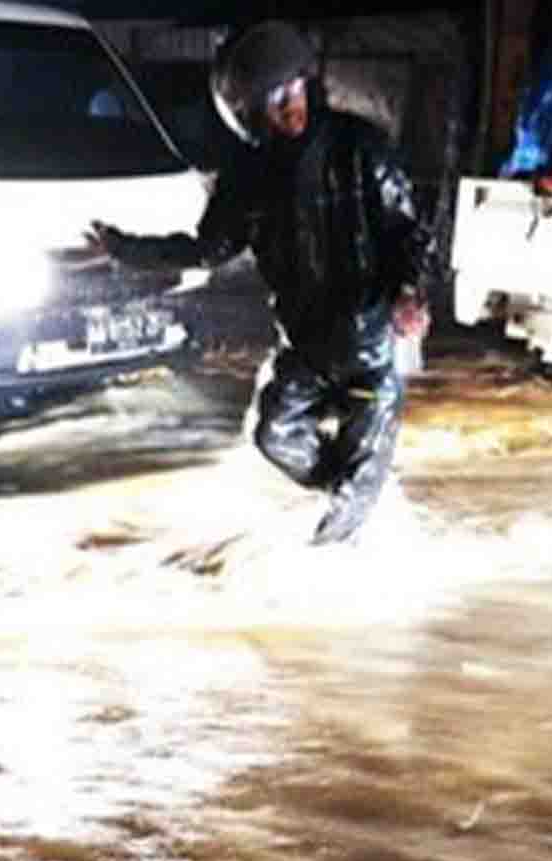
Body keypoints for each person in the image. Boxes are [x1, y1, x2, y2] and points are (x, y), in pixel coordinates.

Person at [87, 20, 436, 545]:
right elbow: (205, 249)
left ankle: (353, 528)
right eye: (272, 102)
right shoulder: (248, 179)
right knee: (271, 433)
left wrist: (410, 293)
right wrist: (123, 248)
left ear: (308, 82)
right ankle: (349, 489)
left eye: (292, 91)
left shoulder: (361, 148)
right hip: (303, 346)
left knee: (349, 509)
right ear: (250, 115)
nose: (288, 109)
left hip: (370, 344)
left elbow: (409, 234)